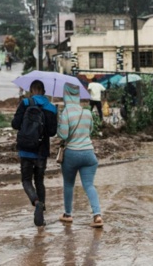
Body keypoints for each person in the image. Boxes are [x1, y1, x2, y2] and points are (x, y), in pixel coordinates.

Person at [11, 80, 58, 227]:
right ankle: (41, 216)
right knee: (39, 181)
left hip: (25, 150)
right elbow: (52, 132)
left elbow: (15, 125)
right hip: (41, 152)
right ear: (43, 91)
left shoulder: (25, 103)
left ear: (31, 90)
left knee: (26, 180)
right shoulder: (51, 108)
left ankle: (36, 201)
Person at [57, 82, 103, 228]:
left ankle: (68, 214)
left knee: (69, 184)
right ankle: (97, 215)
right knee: (89, 185)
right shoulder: (87, 112)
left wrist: (59, 123)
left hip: (71, 154)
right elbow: (90, 131)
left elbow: (63, 135)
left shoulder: (66, 113)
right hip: (89, 154)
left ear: (66, 95)